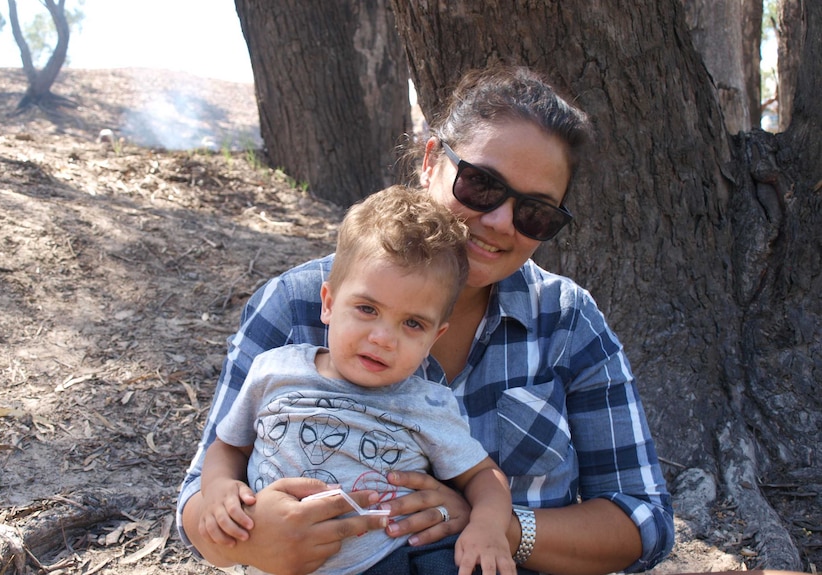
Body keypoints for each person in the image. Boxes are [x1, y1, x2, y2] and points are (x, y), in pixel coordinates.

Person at [178, 65, 675, 575]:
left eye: (536, 212)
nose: (501, 221)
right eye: (481, 184)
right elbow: (200, 495)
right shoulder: (293, 304)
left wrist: (498, 527)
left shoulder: (568, 322)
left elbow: (644, 520)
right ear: (431, 160)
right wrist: (252, 541)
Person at [198, 185, 515, 575]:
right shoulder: (274, 371)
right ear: (328, 303)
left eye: (412, 323)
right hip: (280, 558)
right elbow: (228, 446)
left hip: (391, 558)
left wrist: (488, 524)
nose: (382, 337)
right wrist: (217, 489)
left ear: (435, 337)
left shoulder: (427, 403)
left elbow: (484, 475)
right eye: (367, 309)